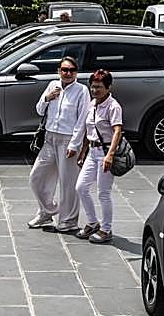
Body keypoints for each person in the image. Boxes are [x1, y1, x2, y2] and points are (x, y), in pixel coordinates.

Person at [28, 56, 89, 232]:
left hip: (68, 139)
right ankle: (47, 211)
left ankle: (68, 220)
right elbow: (39, 110)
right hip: (49, 138)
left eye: (71, 70)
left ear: (76, 72)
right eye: (64, 70)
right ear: (58, 71)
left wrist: (75, 145)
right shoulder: (52, 85)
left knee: (68, 182)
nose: (67, 73)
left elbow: (82, 120)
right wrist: (47, 98)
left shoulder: (81, 91)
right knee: (36, 177)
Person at [71, 69, 123, 244]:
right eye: (93, 87)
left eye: (99, 87)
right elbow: (89, 130)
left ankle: (106, 229)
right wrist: (83, 151)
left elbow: (117, 131)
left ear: (108, 88)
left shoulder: (113, 106)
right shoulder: (92, 104)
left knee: (103, 193)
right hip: (92, 152)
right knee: (81, 187)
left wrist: (110, 155)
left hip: (105, 152)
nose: (95, 90)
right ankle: (93, 222)